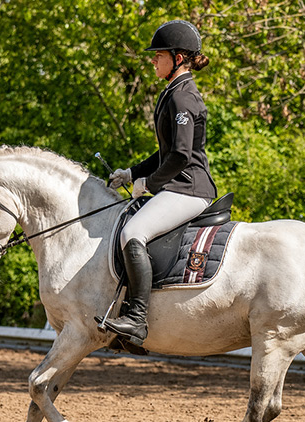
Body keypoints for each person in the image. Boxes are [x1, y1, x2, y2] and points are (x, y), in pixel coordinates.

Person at [105, 19, 217, 346]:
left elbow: (181, 156)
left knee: (131, 232)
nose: (153, 60)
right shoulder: (173, 92)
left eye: (159, 55)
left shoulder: (183, 98)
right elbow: (164, 151)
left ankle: (137, 319)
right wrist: (132, 173)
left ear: (178, 58)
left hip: (189, 188)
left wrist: (149, 184)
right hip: (178, 185)